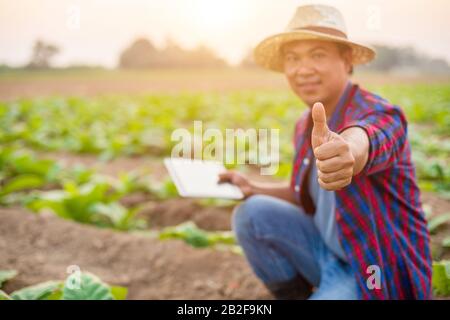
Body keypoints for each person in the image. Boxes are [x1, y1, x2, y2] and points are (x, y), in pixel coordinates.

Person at [219, 4, 432, 300]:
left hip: (373, 268)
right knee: (251, 214)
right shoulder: (304, 125)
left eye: (317, 55)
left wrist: (350, 152)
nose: (302, 69)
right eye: (292, 58)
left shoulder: (381, 113)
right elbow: (304, 196)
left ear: (347, 61)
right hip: (325, 251)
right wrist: (252, 187)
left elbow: (369, 137)